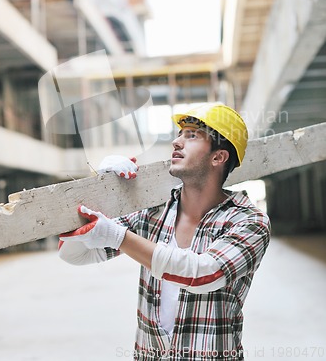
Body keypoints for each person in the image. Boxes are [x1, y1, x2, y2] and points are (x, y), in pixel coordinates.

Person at [59, 103, 270, 361]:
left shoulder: (248, 220)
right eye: (180, 134)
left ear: (218, 157)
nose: (176, 142)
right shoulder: (155, 212)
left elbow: (205, 273)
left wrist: (117, 235)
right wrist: (101, 192)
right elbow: (75, 255)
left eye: (191, 135)